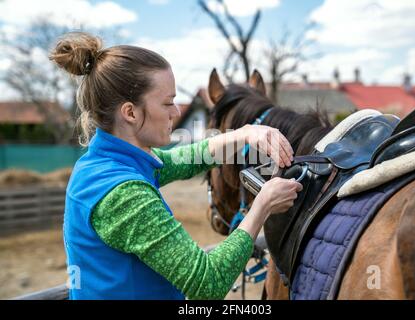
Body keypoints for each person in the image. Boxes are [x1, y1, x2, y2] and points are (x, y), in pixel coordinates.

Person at [50, 32, 302, 300]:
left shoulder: (105, 164)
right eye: (168, 102)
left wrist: (246, 133)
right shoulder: (123, 195)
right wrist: (262, 206)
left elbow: (188, 158)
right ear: (130, 113)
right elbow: (208, 282)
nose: (177, 112)